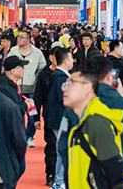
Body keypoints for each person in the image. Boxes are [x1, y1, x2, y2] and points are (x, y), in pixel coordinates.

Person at [59, 56, 123, 182]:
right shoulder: (119, 102)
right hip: (116, 173)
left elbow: (62, 142)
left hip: (82, 174)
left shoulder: (75, 102)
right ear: (109, 76)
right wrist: (122, 96)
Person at [63, 70, 123, 189]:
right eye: (65, 84)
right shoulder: (79, 126)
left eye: (71, 83)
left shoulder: (96, 123)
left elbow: (117, 175)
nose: (64, 89)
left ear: (88, 88)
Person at [8, 31, 47, 147]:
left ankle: (29, 136)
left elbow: (42, 68)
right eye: (18, 37)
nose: (19, 39)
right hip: (16, 87)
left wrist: (35, 80)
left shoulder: (37, 53)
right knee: (17, 113)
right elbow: (8, 66)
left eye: (22, 37)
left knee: (32, 114)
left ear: (28, 40)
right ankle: (19, 136)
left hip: (31, 88)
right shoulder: (13, 51)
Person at [45, 47, 74, 189]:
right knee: (65, 150)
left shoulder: (57, 76)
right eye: (71, 58)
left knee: (62, 150)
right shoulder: (61, 79)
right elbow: (64, 100)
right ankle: (59, 180)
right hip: (61, 119)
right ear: (66, 61)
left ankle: (59, 180)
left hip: (57, 119)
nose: (73, 61)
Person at [34, 48, 58, 187]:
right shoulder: (44, 74)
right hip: (49, 115)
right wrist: (36, 117)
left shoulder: (69, 73)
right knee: (51, 146)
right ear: (50, 58)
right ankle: (50, 174)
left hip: (66, 117)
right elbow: (38, 96)